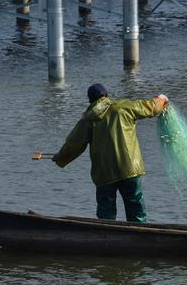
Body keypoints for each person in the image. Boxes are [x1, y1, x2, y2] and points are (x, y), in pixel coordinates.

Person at [52, 83, 168, 223]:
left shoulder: (88, 119)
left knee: (106, 212)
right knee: (135, 206)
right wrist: (161, 99)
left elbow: (74, 145)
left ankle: (107, 235)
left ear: (91, 100)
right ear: (106, 95)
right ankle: (140, 234)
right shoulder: (123, 107)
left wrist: (59, 157)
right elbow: (150, 107)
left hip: (104, 172)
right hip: (129, 168)